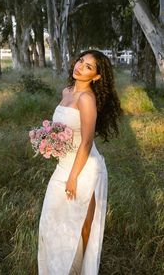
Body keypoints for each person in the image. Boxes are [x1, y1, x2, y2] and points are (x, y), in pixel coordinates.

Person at [37, 50, 123, 275]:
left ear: (96, 77)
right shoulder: (66, 91)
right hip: (63, 166)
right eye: (81, 61)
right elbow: (62, 128)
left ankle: (80, 270)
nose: (80, 67)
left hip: (84, 169)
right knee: (50, 222)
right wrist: (49, 140)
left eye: (88, 67)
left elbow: (85, 142)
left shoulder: (86, 99)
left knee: (81, 227)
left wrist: (73, 177)